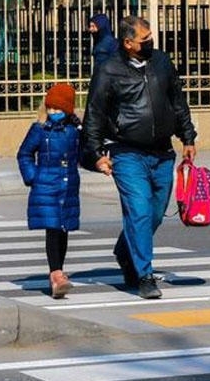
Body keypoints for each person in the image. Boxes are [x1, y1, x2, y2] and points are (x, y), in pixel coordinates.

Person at [82, 16, 197, 299]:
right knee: (140, 211)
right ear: (128, 43)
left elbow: (177, 100)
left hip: (161, 151)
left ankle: (125, 250)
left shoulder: (161, 62)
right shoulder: (108, 70)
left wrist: (188, 136)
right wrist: (96, 153)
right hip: (126, 151)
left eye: (150, 38)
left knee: (155, 213)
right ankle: (144, 275)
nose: (150, 43)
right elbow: (94, 113)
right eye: (144, 40)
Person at [17, 83, 82, 299]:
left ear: (68, 110)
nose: (53, 113)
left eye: (58, 109)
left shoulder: (75, 131)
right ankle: (56, 274)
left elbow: (85, 154)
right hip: (46, 186)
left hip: (68, 186)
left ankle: (58, 273)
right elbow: (24, 154)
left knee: (62, 230)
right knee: (53, 230)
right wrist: (32, 177)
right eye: (50, 108)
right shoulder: (39, 129)